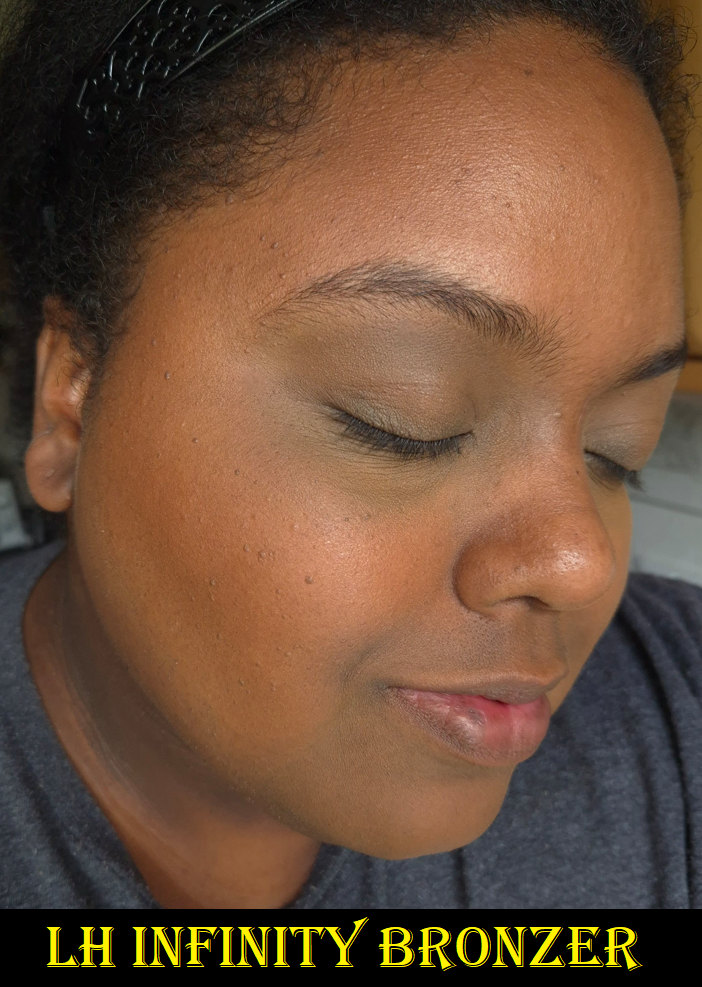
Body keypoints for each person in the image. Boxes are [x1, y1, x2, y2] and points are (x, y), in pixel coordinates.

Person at [0, 0, 700, 910]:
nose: (581, 564)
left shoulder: (676, 708)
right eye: (404, 422)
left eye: (616, 450)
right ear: (72, 399)